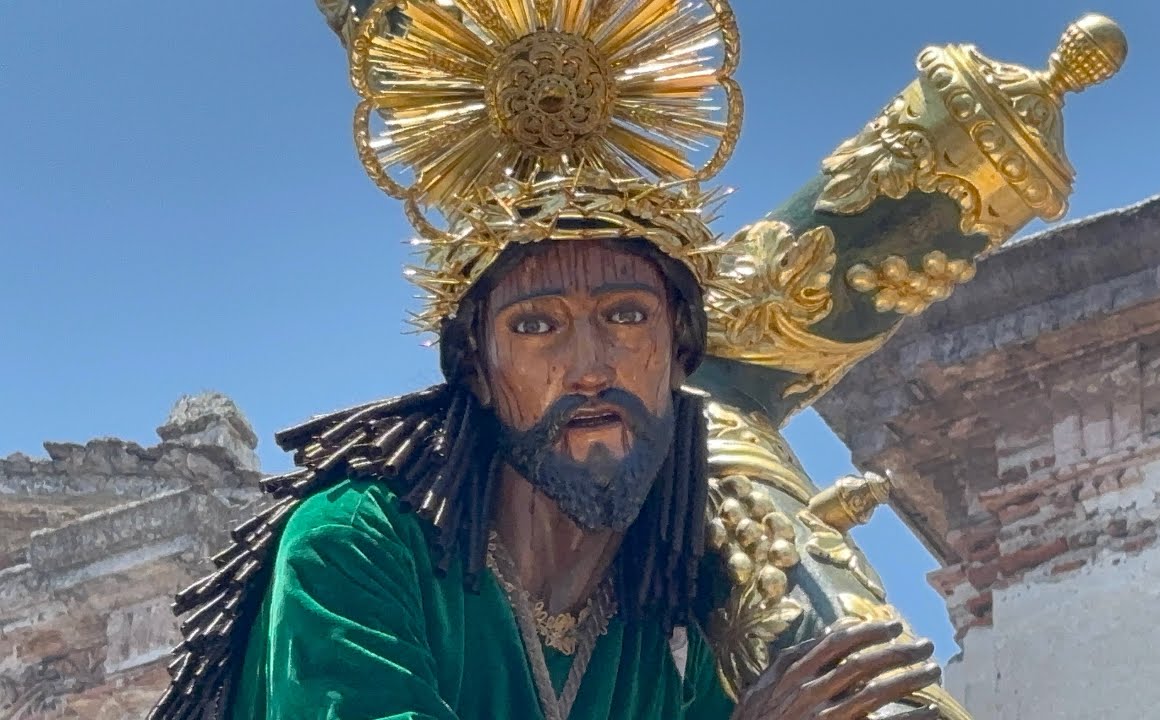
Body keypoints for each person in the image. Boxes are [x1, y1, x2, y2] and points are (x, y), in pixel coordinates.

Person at [150, 1, 943, 718]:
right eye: (537, 326)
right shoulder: (355, 546)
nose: (590, 366)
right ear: (477, 370)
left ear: (680, 354)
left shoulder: (662, 634)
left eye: (626, 316)